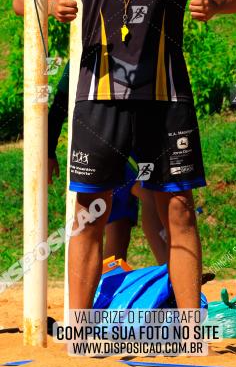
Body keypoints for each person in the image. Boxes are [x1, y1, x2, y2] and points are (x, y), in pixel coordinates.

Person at [12, 0, 236, 310]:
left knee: (179, 209)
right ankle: (80, 330)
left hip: (167, 96)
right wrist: (54, 4)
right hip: (98, 96)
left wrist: (217, 4)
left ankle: (188, 328)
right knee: (88, 213)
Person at [46, 62, 167, 265]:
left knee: (119, 231)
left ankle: (110, 290)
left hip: (136, 141)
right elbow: (60, 101)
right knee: (151, 197)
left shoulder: (140, 41)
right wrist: (48, 150)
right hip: (111, 143)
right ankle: (176, 277)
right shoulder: (86, 48)